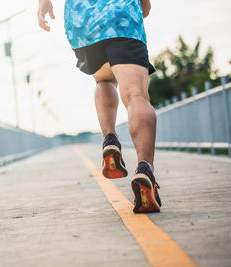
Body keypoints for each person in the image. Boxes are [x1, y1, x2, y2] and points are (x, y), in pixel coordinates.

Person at [37, 0, 161, 213]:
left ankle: (109, 138)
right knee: (136, 95)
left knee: (104, 80)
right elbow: (145, 8)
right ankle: (144, 169)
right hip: (121, 17)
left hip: (83, 22)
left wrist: (43, 3)